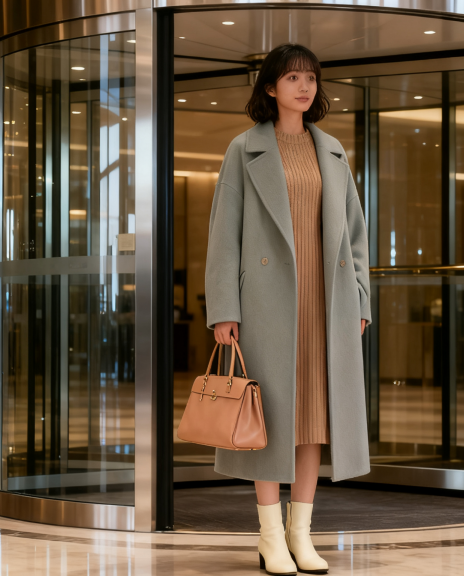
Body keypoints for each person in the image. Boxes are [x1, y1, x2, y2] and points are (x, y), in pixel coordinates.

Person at [205, 44, 371, 576]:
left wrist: (360, 298)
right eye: (293, 77)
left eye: (311, 78)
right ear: (271, 87)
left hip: (326, 304)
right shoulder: (244, 149)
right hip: (267, 304)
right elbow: (224, 237)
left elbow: (355, 235)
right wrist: (223, 309)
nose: (304, 87)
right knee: (270, 418)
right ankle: (270, 535)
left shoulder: (332, 150)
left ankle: (301, 534)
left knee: (312, 419)